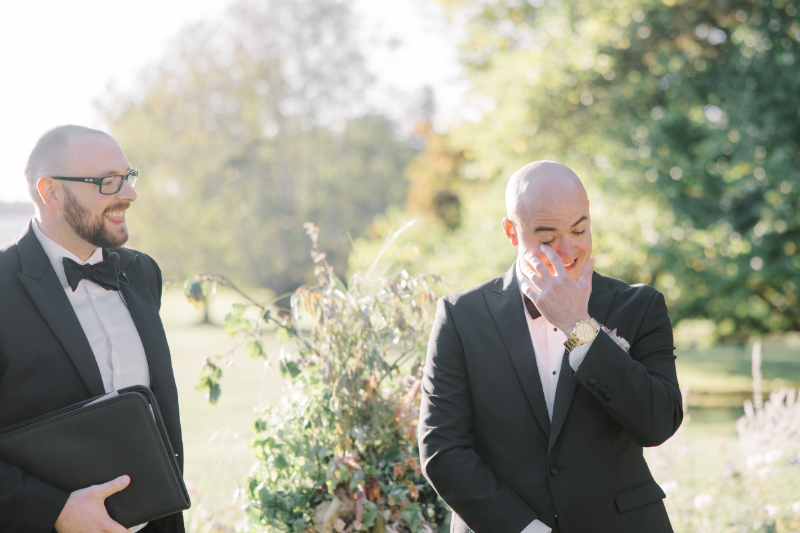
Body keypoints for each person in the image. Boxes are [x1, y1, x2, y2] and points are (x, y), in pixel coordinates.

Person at [418, 161, 683, 533]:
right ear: (512, 232)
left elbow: (658, 424)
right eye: (547, 238)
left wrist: (579, 326)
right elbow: (442, 451)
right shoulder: (460, 317)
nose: (567, 250)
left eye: (579, 229)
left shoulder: (640, 306)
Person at [0, 125, 185, 533]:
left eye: (128, 177)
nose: (129, 194)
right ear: (51, 193)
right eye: (108, 182)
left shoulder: (142, 273)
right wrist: (55, 512)